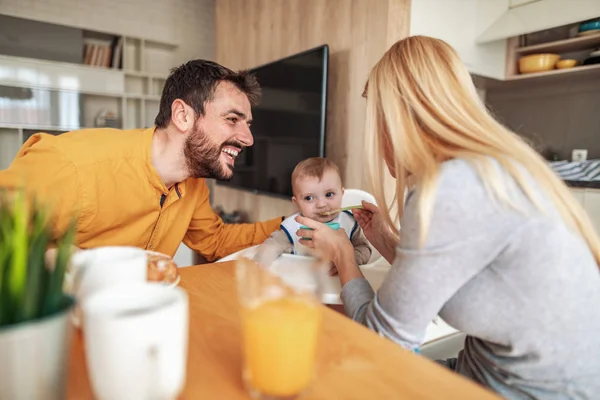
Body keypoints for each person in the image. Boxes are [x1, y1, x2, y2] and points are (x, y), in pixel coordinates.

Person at [295, 36, 600, 399]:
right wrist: (382, 239)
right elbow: (450, 275)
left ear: (395, 118)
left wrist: (344, 253)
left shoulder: (451, 188)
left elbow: (382, 343)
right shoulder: (492, 170)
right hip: (484, 370)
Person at [0, 60, 283, 262]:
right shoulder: (70, 164)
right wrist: (65, 264)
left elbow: (215, 241)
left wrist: (292, 225)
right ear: (183, 116)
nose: (248, 139)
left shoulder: (194, 187)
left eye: (246, 124)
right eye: (232, 119)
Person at [256, 157, 371, 271]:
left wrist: (349, 261)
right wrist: (259, 263)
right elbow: (271, 246)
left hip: (340, 284)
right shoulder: (292, 227)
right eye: (309, 198)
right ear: (297, 203)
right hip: (301, 283)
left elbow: (364, 249)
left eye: (329, 194)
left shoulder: (350, 223)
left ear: (341, 194)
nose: (321, 204)